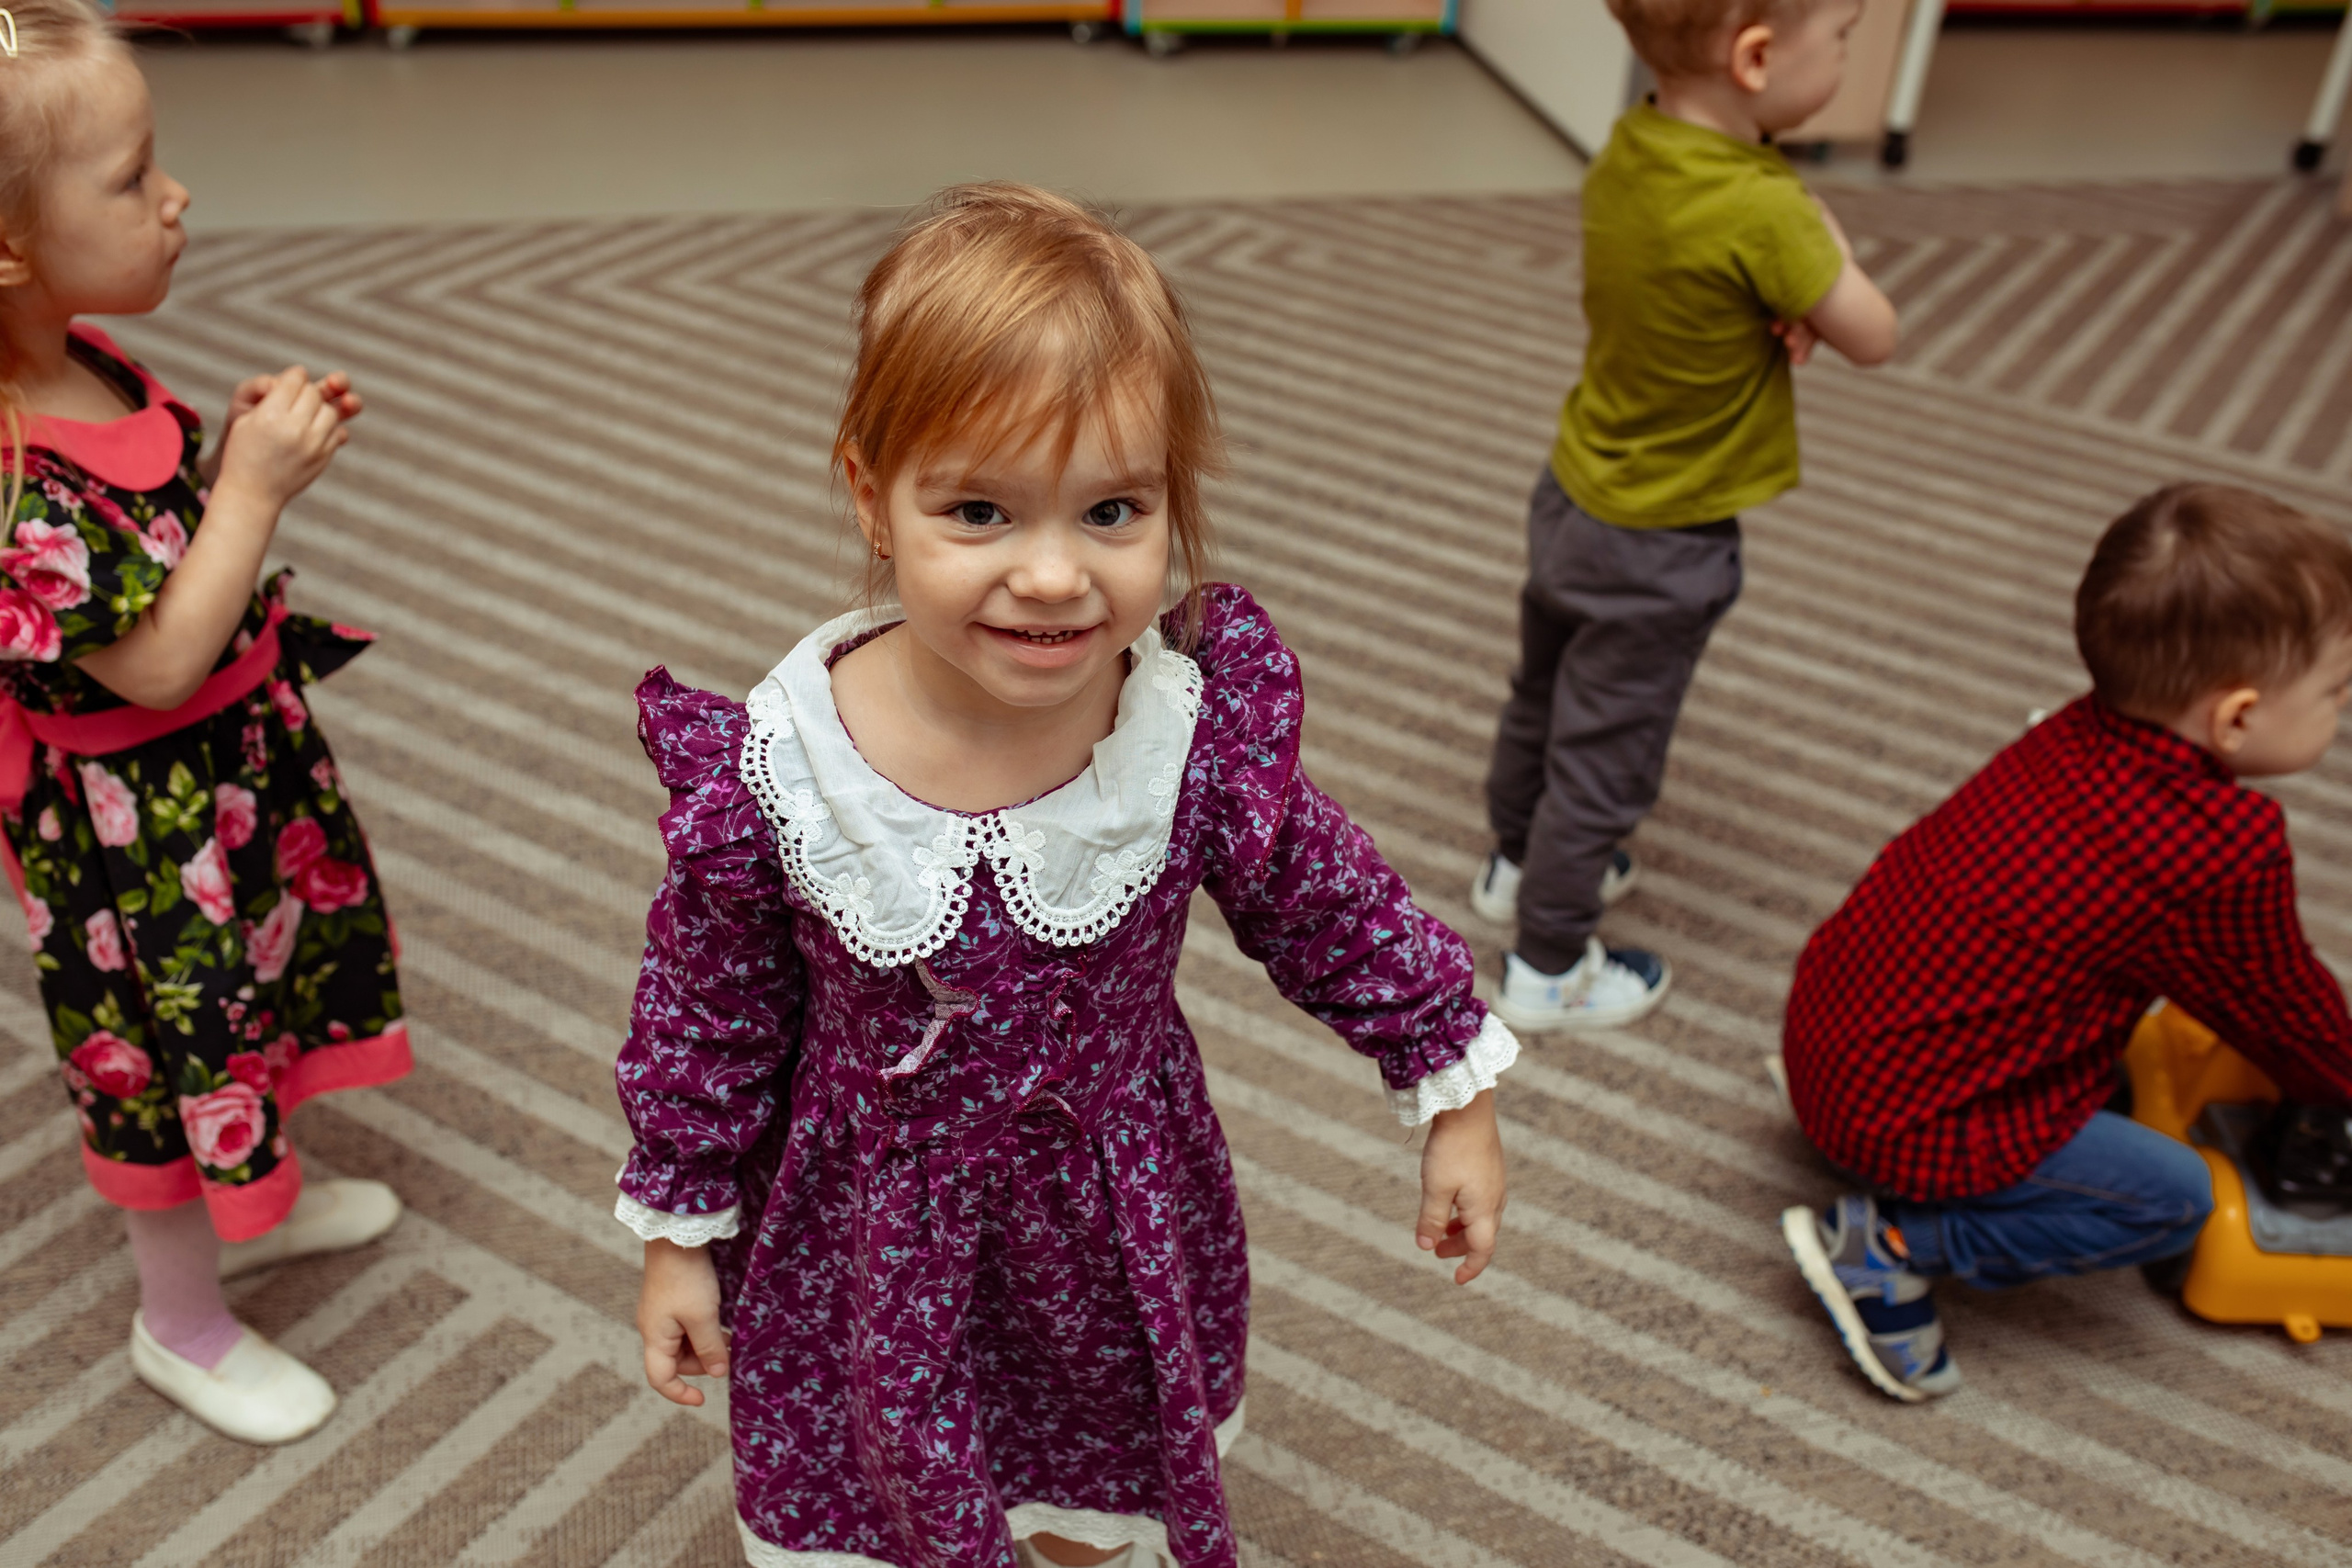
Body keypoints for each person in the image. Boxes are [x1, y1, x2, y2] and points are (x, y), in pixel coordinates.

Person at [616, 184, 1516, 1568]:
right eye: (979, 509)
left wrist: (1448, 1083)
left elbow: (1325, 899)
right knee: (898, 1490)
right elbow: (711, 1007)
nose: (1052, 575)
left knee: (1095, 1491)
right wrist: (682, 1227)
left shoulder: (1183, 736)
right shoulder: (782, 768)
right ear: (871, 494)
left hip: (1108, 1214)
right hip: (875, 1228)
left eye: (1112, 509)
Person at [0, 0, 409, 1444]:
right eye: (128, 178)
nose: (173, 196)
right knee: (168, 1063)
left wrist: (222, 463)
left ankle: (258, 1194)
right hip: (133, 842)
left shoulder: (84, 358)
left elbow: (156, 544)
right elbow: (159, 662)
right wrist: (254, 494)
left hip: (220, 793)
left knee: (254, 996)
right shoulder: (8, 474)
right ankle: (178, 1319)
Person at [1781, 483, 2352, 1402]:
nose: (2341, 706)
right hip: (1904, 1116)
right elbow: (2283, 1010)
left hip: (1830, 1027)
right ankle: (1888, 1247)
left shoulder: (2068, 727)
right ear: (2237, 717)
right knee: (2174, 1199)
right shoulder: (2218, 850)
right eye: (2337, 690)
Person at [1474, 0, 1898, 1032]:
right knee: (1605, 754)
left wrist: (1775, 290)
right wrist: (1817, 241)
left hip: (1574, 488)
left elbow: (1691, 278)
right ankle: (1547, 963)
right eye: (1839, 37)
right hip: (1664, 543)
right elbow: (1875, 332)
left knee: (1544, 690)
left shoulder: (1630, 146)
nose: (1843, 55)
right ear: (1755, 59)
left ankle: (1515, 860)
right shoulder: (1767, 209)